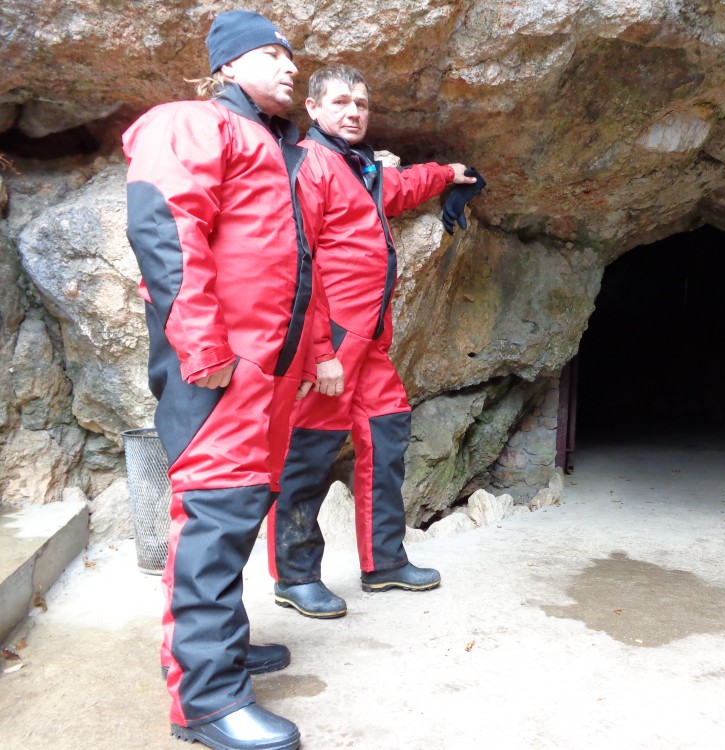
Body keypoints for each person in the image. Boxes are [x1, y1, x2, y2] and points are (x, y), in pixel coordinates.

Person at [123, 10, 338, 750]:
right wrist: (202, 346)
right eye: (271, 54)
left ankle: (219, 648)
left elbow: (300, 266)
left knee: (239, 512)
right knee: (214, 519)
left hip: (268, 372)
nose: (290, 66)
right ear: (227, 66)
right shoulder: (190, 123)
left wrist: (309, 358)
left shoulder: (280, 150)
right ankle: (206, 701)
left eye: (291, 55)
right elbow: (165, 226)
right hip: (221, 369)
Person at [267, 64, 485, 618]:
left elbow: (401, 186)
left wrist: (449, 173)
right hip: (334, 342)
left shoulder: (359, 168)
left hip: (370, 343)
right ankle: (294, 575)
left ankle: (384, 562)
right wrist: (320, 353)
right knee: (309, 455)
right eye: (340, 102)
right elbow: (297, 263)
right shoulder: (309, 165)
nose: (353, 112)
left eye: (361, 104)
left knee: (387, 441)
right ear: (313, 108)